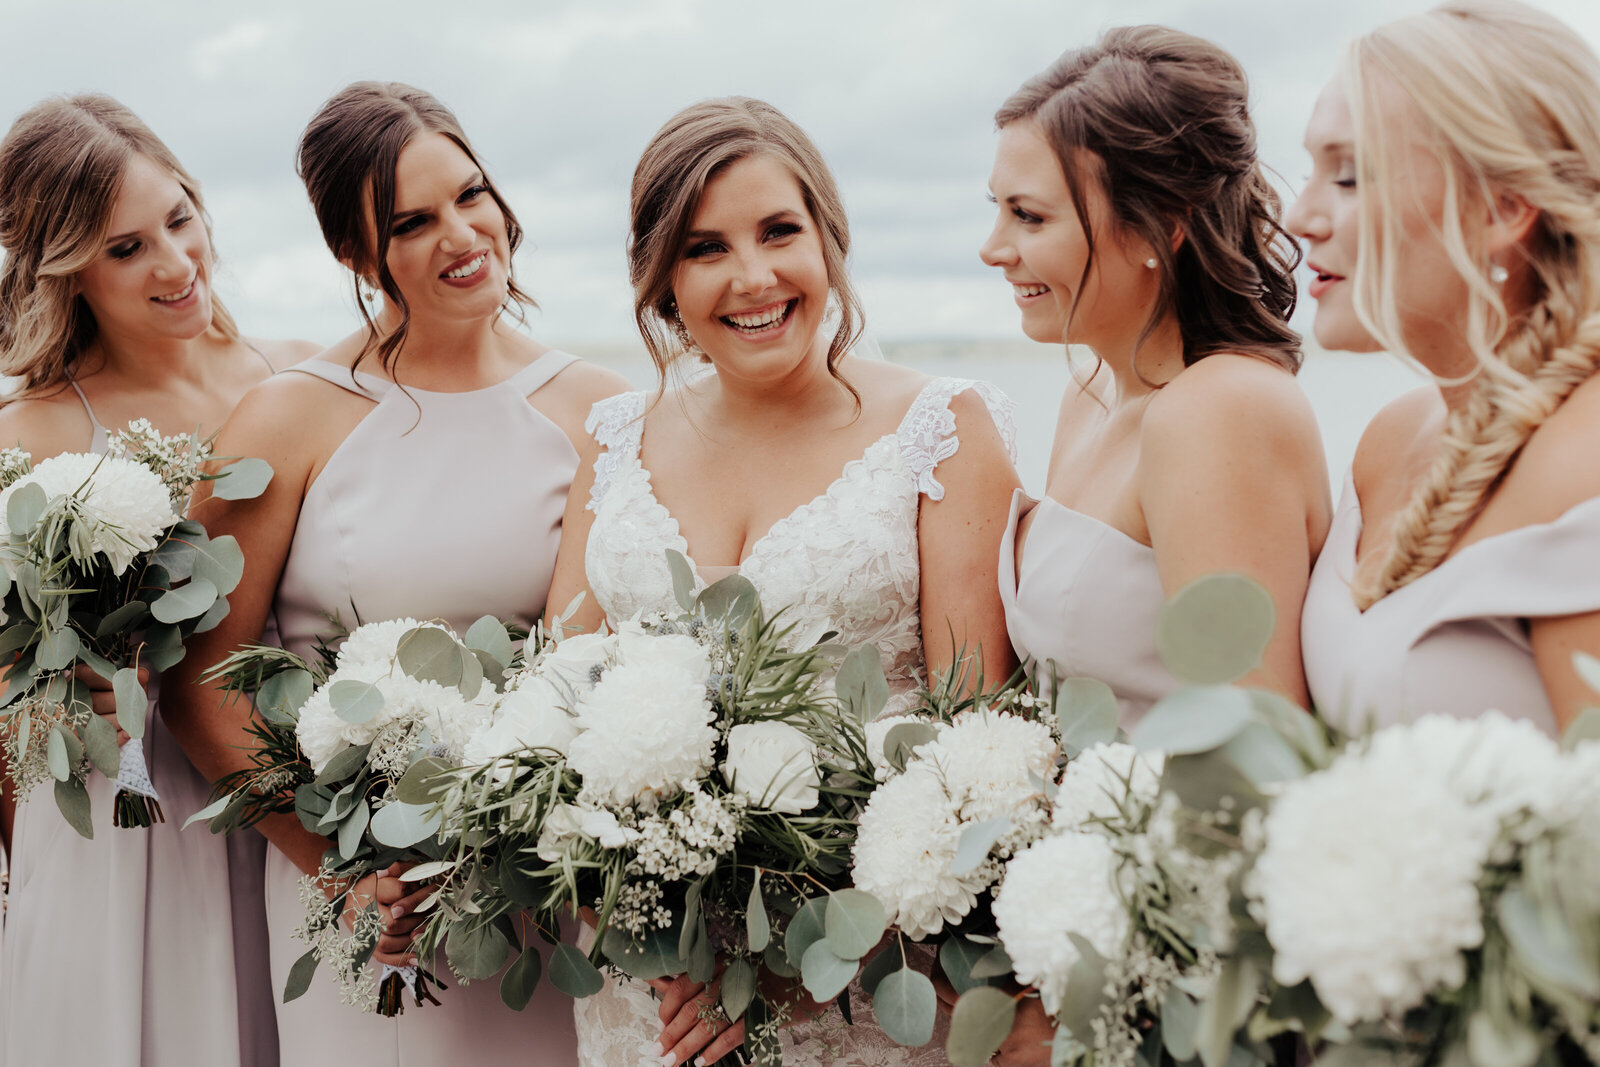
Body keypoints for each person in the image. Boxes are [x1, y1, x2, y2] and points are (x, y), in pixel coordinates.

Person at [545, 96, 1021, 1067]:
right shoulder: (617, 437)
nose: (752, 276)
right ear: (661, 277)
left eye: (778, 231)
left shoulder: (941, 428)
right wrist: (634, 912)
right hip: (652, 997)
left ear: (829, 238)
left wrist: (779, 963)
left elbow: (975, 742)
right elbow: (552, 707)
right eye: (706, 247)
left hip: (860, 981)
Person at [160, 82, 626, 1064]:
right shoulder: (290, 416)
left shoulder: (597, 405)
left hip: (542, 896)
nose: (463, 235)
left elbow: (590, 656)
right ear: (354, 255)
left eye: (471, 194)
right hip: (366, 897)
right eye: (413, 221)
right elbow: (201, 680)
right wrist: (342, 868)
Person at [979, 26, 1331, 1065]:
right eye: (995, 209)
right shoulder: (1091, 390)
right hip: (1067, 929)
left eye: (1028, 215)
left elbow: (1249, 767)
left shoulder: (1217, 413)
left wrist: (1086, 999)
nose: (994, 248)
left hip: (1170, 985)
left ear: (1159, 224)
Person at [0, 93, 316, 1067]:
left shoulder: (302, 375)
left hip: (297, 800)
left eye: (178, 218)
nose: (176, 264)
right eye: (125, 247)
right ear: (67, 268)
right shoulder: (36, 432)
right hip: (130, 823)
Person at [1293, 0, 1600, 736]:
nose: (1300, 216)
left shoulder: (1585, 462)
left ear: (1501, 209)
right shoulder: (1389, 439)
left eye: (1349, 176)